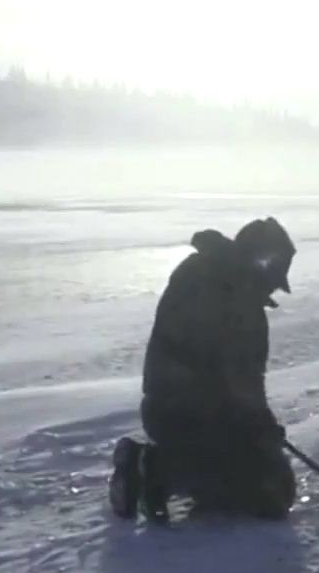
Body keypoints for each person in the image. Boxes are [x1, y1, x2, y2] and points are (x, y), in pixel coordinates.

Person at [111, 217, 299, 522]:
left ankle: (190, 473)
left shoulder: (225, 288)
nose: (272, 287)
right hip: (181, 414)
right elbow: (232, 375)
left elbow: (244, 380)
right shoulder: (212, 285)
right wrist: (257, 425)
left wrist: (260, 425)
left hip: (207, 413)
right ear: (260, 263)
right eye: (273, 276)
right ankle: (151, 466)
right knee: (258, 492)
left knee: (274, 493)